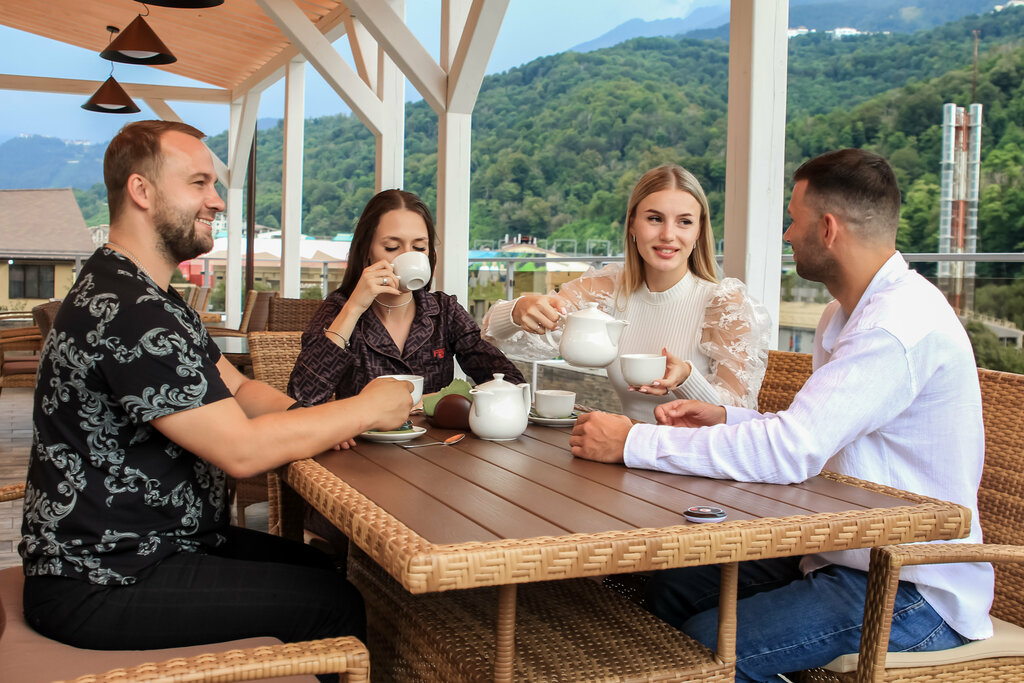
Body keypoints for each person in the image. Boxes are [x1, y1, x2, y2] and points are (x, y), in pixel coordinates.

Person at [569, 149, 993, 681]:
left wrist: (632, 442)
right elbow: (815, 432)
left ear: (829, 228)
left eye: (793, 220)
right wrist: (727, 418)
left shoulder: (894, 328)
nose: (788, 235)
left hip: (907, 584)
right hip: (838, 551)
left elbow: (794, 449)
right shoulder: (844, 314)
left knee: (709, 644)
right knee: (675, 583)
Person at [19, 121, 414, 658]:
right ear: (142, 191)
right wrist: (366, 408)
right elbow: (241, 452)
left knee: (324, 566)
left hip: (157, 544)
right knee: (332, 601)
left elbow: (240, 387)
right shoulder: (131, 312)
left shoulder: (147, 294)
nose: (218, 201)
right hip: (104, 576)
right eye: (200, 183)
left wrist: (314, 417)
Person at [481, 164, 770, 423]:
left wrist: (686, 378)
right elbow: (493, 334)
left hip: (693, 466)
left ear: (699, 231)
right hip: (623, 455)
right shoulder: (607, 289)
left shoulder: (723, 304)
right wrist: (519, 310)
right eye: (655, 219)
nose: (668, 235)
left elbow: (739, 418)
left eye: (684, 221)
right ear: (632, 223)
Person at [288, 188, 525, 404]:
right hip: (362, 448)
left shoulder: (444, 311)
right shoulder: (339, 309)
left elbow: (510, 382)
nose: (408, 256)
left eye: (419, 248)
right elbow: (302, 397)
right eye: (392, 247)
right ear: (367, 252)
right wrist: (354, 308)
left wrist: (447, 398)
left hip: (436, 448)